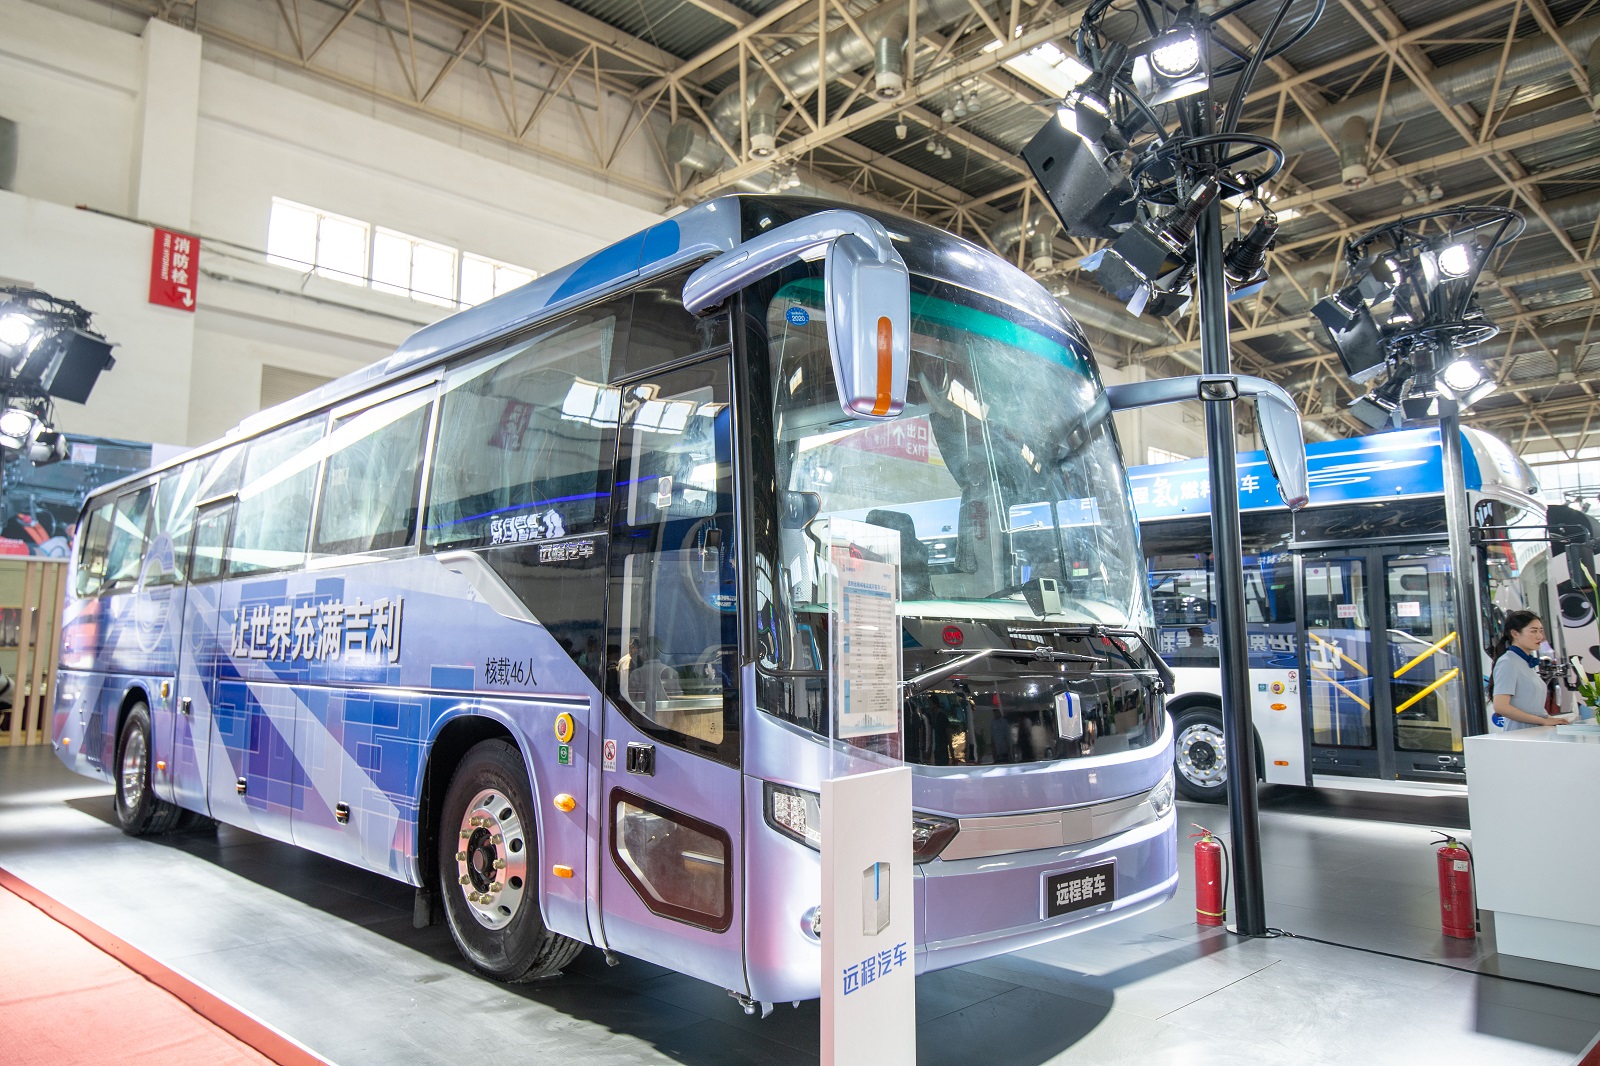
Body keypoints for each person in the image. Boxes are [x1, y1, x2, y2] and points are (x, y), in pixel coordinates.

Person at [1490, 611, 1565, 729]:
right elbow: (1500, 707)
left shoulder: (1524, 662)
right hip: (1520, 733)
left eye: (1540, 631)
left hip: (1534, 732)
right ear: (1515, 633)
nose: (1539, 636)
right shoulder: (1507, 662)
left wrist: (1550, 719)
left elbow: (1530, 707)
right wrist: (1543, 721)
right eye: (1533, 631)